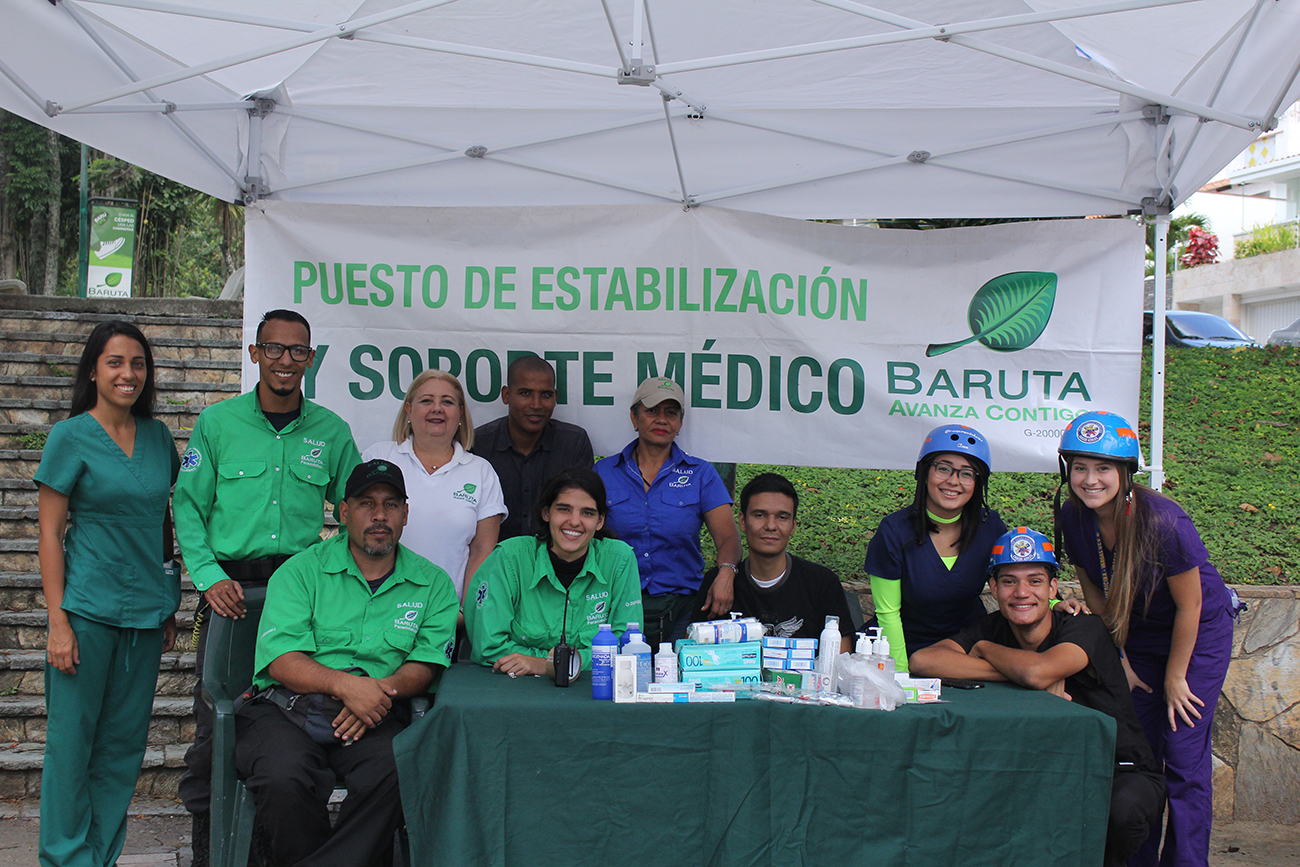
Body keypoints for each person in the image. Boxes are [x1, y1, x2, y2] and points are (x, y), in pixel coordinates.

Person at [172, 309, 361, 863]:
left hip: (301, 600)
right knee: (217, 729)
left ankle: (274, 847)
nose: (285, 361)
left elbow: (357, 509)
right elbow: (188, 505)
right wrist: (208, 577)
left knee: (291, 719)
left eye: (297, 351)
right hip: (230, 595)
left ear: (311, 358)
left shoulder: (331, 432)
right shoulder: (217, 423)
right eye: (274, 349)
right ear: (254, 354)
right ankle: (212, 850)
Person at [235, 459, 458, 867]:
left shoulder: (434, 584)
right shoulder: (301, 571)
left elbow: (426, 666)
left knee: (398, 771)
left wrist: (371, 693)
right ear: (342, 512)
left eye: (391, 505)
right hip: (287, 709)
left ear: (406, 514)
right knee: (283, 777)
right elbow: (282, 660)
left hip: (377, 711)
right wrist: (344, 686)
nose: (379, 516)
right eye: (365, 504)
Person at [909, 527, 1166, 867]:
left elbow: (1037, 673)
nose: (1022, 593)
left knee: (1120, 814)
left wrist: (985, 653)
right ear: (993, 588)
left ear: (1053, 588)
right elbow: (923, 660)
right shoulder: (992, 628)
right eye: (1009, 581)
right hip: (1043, 771)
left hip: (1118, 769)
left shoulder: (1084, 627)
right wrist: (1014, 672)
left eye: (1034, 580)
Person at [1055, 410, 1236, 867]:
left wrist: (1177, 677)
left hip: (1195, 633)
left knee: (1182, 752)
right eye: (1080, 467)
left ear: (1125, 473)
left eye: (1103, 469)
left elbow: (1190, 606)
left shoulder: (1163, 522)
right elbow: (1096, 591)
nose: (1090, 479)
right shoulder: (1074, 516)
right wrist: (1120, 658)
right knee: (1139, 750)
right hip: (1135, 632)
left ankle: (1187, 861)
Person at [34, 321, 181, 867]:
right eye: (116, 362)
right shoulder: (70, 436)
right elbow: (49, 533)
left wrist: (168, 595)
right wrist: (57, 621)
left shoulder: (159, 437)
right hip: (87, 610)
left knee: (121, 750)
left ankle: (100, 856)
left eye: (138, 363)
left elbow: (162, 522)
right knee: (72, 748)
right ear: (93, 369)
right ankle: (64, 858)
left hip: (144, 614)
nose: (128, 374)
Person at [594, 377, 743, 649]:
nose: (661, 420)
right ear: (634, 417)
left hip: (683, 605)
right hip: (615, 604)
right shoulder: (603, 473)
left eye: (671, 413)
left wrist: (726, 573)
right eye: (652, 411)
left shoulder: (701, 474)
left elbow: (728, 539)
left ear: (680, 423)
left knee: (674, 681)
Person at [465, 467, 643, 676]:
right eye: (564, 509)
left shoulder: (620, 559)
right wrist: (569, 663)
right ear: (546, 513)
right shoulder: (509, 558)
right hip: (517, 690)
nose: (575, 521)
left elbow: (629, 651)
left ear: (600, 521)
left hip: (593, 691)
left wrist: (548, 664)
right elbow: (488, 647)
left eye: (587, 513)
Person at [863, 424, 1007, 673]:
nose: (953, 481)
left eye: (966, 473)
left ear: (977, 483)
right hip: (899, 648)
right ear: (924, 472)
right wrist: (900, 675)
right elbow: (888, 614)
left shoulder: (991, 527)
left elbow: (1019, 581)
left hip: (964, 650)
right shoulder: (894, 531)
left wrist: (1052, 604)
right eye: (943, 469)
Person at [362, 370, 506, 605]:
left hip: (446, 614)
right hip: (379, 607)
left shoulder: (481, 471)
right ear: (408, 409)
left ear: (460, 413)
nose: (437, 408)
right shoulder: (378, 457)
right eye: (426, 400)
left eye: (447, 402)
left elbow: (482, 551)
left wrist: (464, 611)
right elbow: (357, 536)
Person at [693, 472, 854, 649]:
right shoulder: (717, 583)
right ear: (743, 521)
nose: (770, 526)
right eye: (760, 515)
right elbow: (691, 650)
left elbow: (841, 658)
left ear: (793, 526)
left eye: (782, 517)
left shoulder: (821, 583)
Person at [472, 355, 594, 540]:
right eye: (525, 393)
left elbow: (581, 515)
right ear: (506, 395)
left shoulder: (573, 443)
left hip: (558, 560)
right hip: (494, 561)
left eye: (545, 395)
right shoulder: (479, 444)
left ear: (555, 397)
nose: (536, 405)